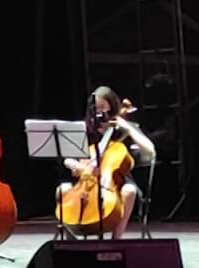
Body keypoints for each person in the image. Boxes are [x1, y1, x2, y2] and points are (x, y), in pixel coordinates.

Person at [57, 85, 158, 239]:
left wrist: (128, 129)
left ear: (112, 107)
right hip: (87, 180)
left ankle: (117, 239)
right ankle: (72, 240)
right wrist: (71, 163)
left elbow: (150, 150)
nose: (99, 113)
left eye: (103, 108)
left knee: (129, 192)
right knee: (62, 189)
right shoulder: (86, 130)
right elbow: (70, 157)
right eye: (96, 108)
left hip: (116, 181)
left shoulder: (123, 129)